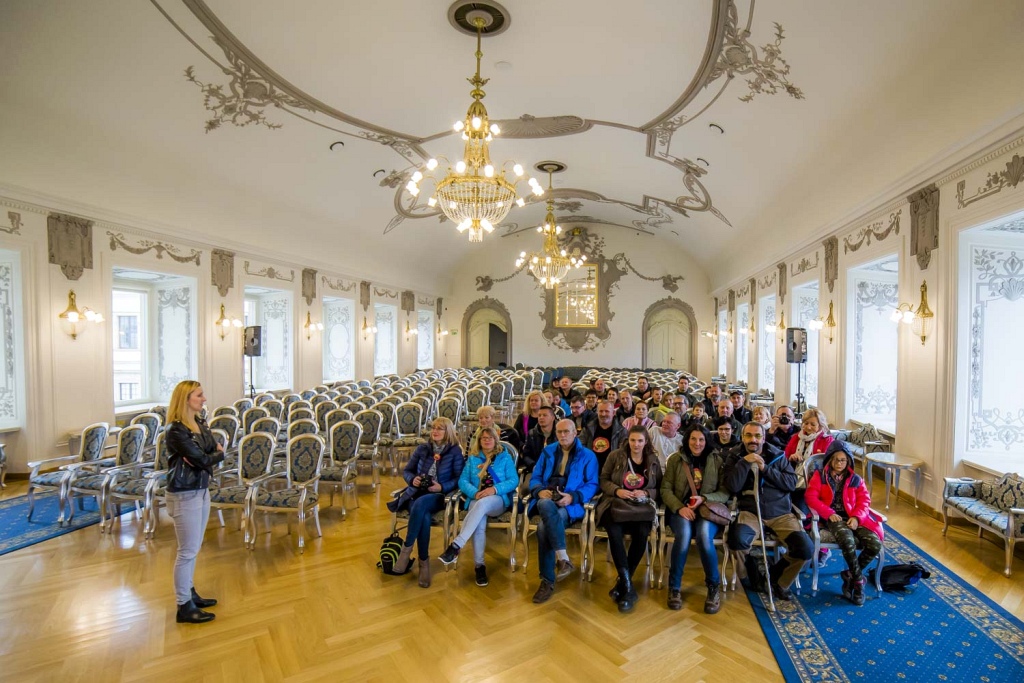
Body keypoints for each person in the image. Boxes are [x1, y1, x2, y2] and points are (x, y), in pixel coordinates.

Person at [723, 423, 814, 601]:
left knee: (805, 549)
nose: (753, 440)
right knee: (737, 541)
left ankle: (778, 580)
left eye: (757, 436)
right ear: (742, 437)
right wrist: (744, 463)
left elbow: (789, 483)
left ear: (763, 438)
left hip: (780, 512)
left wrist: (766, 469)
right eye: (748, 436)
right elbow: (732, 486)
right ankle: (752, 577)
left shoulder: (777, 456)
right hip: (750, 512)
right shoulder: (734, 455)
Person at [165, 380, 224, 624]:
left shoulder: (199, 423)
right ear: (186, 399)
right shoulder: (176, 430)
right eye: (199, 395)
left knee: (194, 547)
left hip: (200, 489)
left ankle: (190, 593)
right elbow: (203, 457)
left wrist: (213, 454)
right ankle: (183, 606)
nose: (204, 399)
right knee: (187, 551)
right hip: (184, 493)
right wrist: (213, 455)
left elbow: (211, 450)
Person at [805, 441, 884, 606]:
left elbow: (864, 501)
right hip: (833, 517)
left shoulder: (856, 479)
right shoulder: (820, 476)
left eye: (843, 460)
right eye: (836, 460)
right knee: (847, 541)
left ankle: (850, 574)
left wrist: (856, 517)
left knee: (874, 544)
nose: (839, 463)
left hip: (853, 517)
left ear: (848, 461)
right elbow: (811, 498)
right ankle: (858, 583)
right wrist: (829, 513)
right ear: (829, 460)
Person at [529, 420, 600, 604]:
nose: (562, 435)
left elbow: (592, 484)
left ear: (575, 433)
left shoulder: (588, 456)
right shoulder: (548, 451)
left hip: (569, 503)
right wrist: (538, 490)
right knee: (544, 504)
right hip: (548, 496)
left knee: (543, 528)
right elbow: (535, 476)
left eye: (566, 432)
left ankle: (547, 580)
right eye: (559, 432)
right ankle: (563, 559)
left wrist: (573, 497)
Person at [661, 424, 729, 613]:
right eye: (693, 439)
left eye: (701, 439)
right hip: (682, 510)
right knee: (682, 537)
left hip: (707, 510)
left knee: (703, 537)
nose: (697, 443)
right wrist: (679, 507)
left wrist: (705, 499)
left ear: (706, 441)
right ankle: (674, 588)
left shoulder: (717, 460)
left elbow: (725, 492)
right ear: (687, 439)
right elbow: (665, 489)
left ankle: (713, 587)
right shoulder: (676, 459)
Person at [439, 426, 518, 587]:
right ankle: (479, 566)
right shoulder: (473, 458)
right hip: (477, 498)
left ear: (495, 440)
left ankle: (456, 545)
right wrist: (475, 493)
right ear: (479, 441)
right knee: (479, 524)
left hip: (497, 499)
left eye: (490, 437)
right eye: (483, 438)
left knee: (482, 504)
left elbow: (513, 480)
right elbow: (463, 481)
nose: (487, 440)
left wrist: (493, 489)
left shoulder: (504, 457)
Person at [391, 418, 465, 588]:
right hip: (416, 494)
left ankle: (406, 550)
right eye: (434, 428)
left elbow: (459, 478)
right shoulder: (423, 449)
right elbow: (407, 471)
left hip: (439, 496)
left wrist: (441, 486)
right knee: (422, 513)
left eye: (440, 429)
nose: (435, 431)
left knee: (421, 504)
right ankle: (424, 563)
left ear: (448, 432)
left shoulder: (454, 452)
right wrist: (413, 479)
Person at [595, 426, 662, 612]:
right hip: (615, 504)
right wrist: (618, 490)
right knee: (614, 532)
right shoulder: (616, 456)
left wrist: (646, 492)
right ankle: (628, 587)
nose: (636, 444)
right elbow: (603, 479)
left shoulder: (653, 460)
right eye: (633, 440)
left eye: (640, 441)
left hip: (640, 507)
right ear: (628, 441)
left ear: (646, 442)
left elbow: (660, 487)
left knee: (642, 533)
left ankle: (623, 584)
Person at [784, 408, 834, 515]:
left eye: (813, 424)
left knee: (800, 504)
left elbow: (828, 463)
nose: (808, 427)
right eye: (806, 423)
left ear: (820, 426)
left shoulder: (827, 440)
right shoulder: (796, 438)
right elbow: (785, 456)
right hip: (794, 476)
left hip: (815, 481)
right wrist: (791, 457)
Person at [581, 400, 626, 471]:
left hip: (612, 470)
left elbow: (623, 452)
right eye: (601, 411)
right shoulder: (588, 428)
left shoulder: (621, 431)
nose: (603, 414)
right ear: (597, 412)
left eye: (607, 411)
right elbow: (580, 446)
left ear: (613, 413)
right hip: (589, 468)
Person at [521, 405, 558, 473]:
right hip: (537, 471)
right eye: (539, 415)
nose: (541, 418)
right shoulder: (532, 434)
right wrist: (533, 465)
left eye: (544, 415)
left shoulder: (561, 433)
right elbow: (526, 456)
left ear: (553, 418)